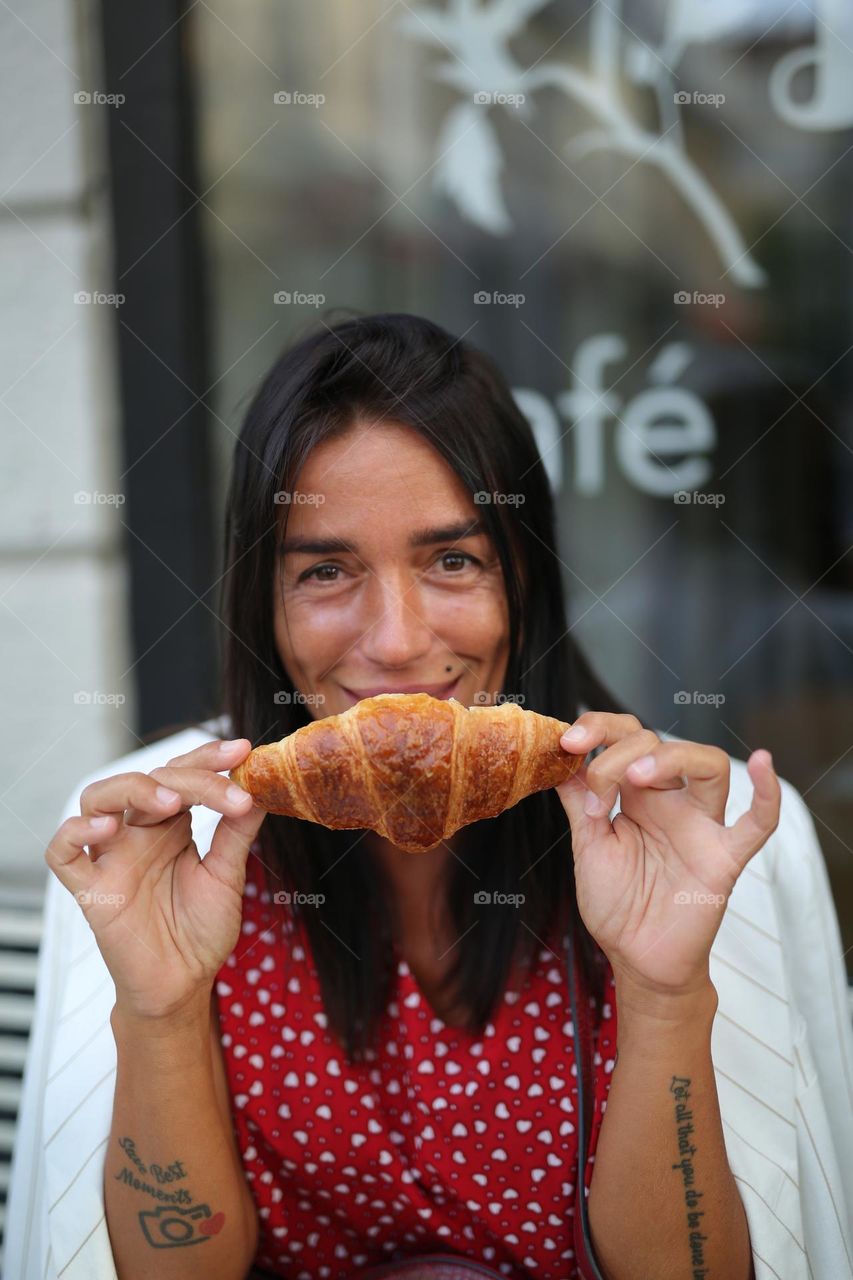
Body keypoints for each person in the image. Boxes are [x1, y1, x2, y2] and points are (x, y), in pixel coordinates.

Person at [33, 314, 850, 1280]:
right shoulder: (151, 838)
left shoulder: (682, 830)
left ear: (526, 580)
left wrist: (663, 992)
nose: (396, 642)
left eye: (451, 561)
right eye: (326, 571)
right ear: (260, 597)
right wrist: (160, 1008)